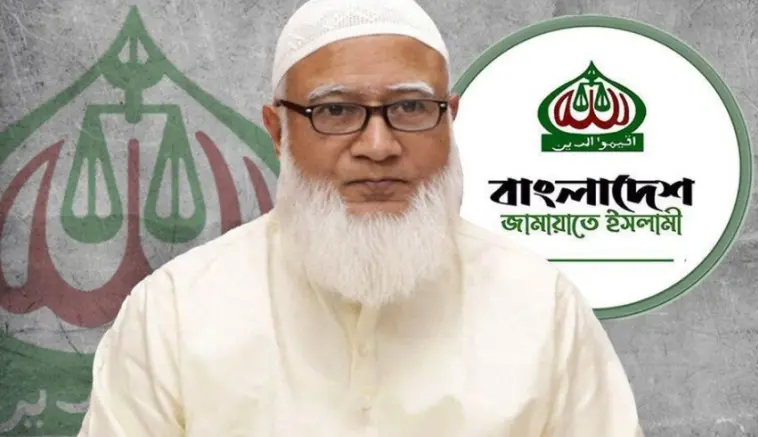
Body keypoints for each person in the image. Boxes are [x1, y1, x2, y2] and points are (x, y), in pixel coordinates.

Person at [78, 0, 644, 435]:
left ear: (450, 120)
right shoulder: (174, 314)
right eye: (336, 110)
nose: (378, 146)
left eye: (410, 107)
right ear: (278, 132)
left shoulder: (540, 306)